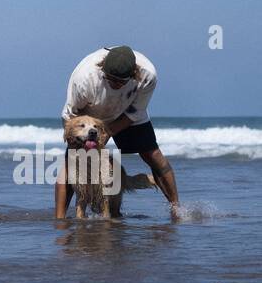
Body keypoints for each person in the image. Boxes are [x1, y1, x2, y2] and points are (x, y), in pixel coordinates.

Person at [55, 45, 180, 218]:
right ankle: (60, 219)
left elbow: (136, 112)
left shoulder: (147, 75)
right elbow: (70, 115)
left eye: (120, 81)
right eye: (110, 79)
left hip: (128, 112)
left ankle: (176, 210)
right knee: (72, 163)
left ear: (134, 74)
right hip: (90, 116)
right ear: (102, 67)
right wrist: (73, 141)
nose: (114, 84)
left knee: (153, 155)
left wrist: (109, 132)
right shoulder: (84, 77)